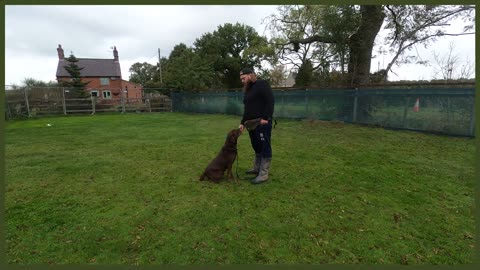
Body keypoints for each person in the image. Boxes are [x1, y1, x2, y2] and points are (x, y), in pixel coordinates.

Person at [238, 68, 275, 184]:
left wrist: (266, 117)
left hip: (261, 122)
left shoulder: (261, 84)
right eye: (241, 79)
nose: (242, 81)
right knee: (256, 145)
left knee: (264, 146)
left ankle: (263, 174)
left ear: (250, 75)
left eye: (244, 78)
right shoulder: (248, 90)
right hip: (251, 124)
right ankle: (256, 168)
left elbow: (270, 100)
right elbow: (247, 109)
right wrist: (242, 122)